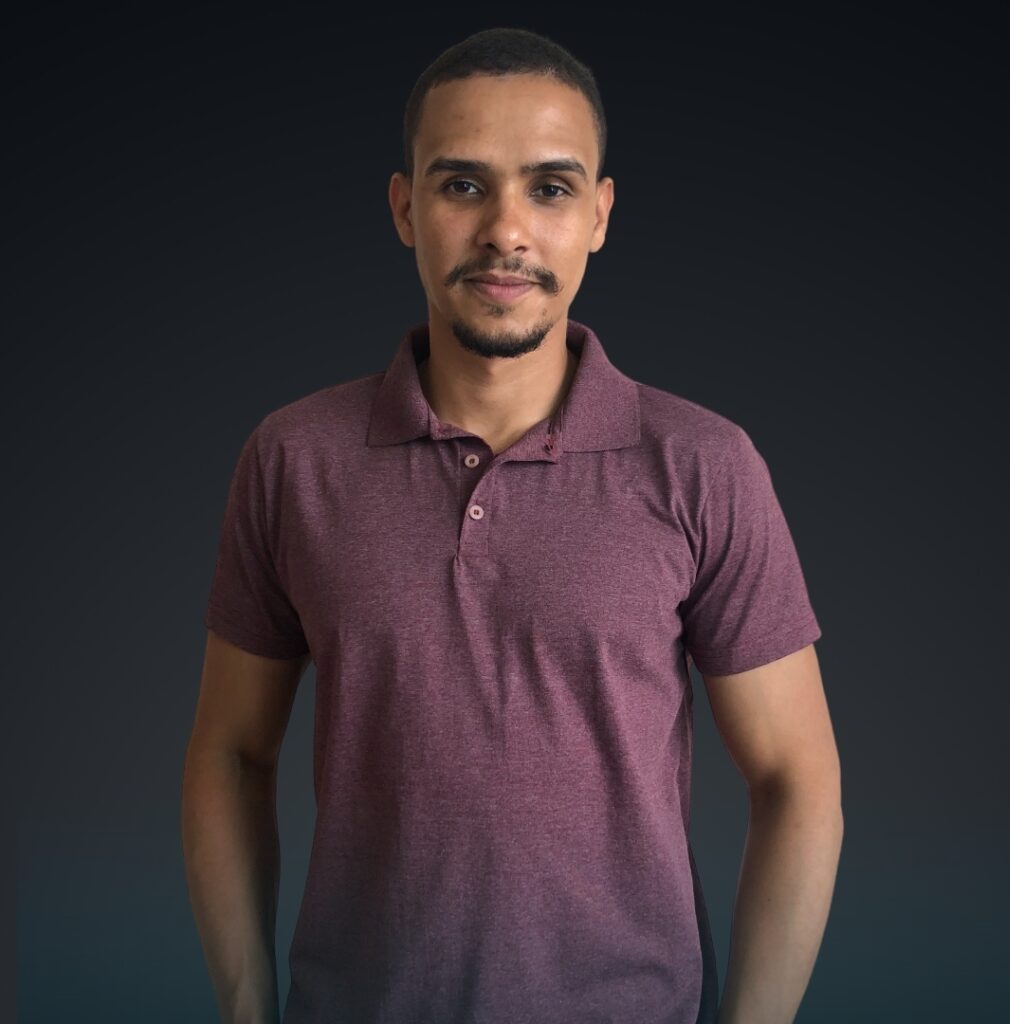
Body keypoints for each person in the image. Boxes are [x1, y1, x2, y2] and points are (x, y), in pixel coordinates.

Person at [181, 26, 843, 1024]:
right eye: (462, 185)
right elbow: (230, 753)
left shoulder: (702, 465)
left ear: (599, 215)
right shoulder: (292, 460)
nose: (506, 230)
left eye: (549, 188)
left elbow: (797, 777)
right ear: (405, 208)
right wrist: (245, 1011)